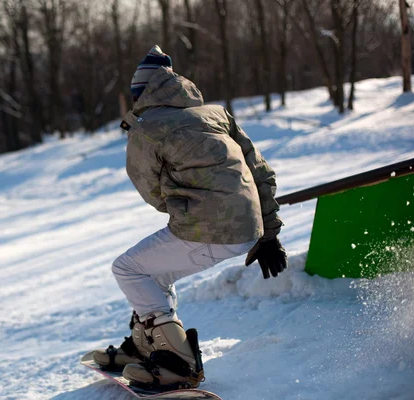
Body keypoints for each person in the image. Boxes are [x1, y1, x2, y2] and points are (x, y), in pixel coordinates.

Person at [92, 45, 288, 390]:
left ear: (140, 92)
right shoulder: (216, 115)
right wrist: (268, 233)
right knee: (154, 274)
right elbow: (260, 173)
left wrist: (179, 203)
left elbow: (150, 189)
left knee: (128, 268)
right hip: (248, 229)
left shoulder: (147, 126)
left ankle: (178, 364)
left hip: (208, 229)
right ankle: (144, 347)